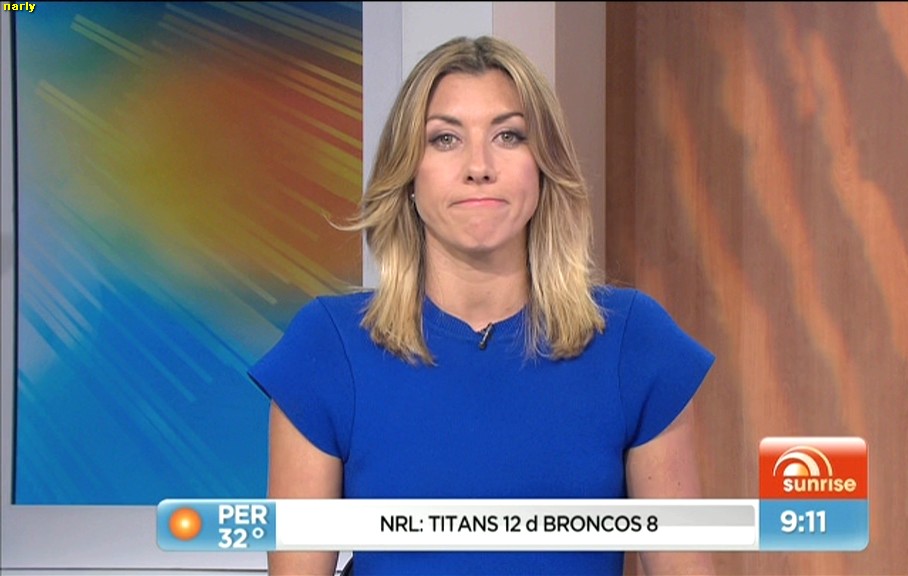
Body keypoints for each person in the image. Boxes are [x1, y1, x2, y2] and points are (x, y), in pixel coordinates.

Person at [249, 35, 716, 576]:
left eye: (508, 135)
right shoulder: (328, 348)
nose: (479, 166)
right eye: (445, 139)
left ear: (544, 168)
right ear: (408, 175)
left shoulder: (633, 342)